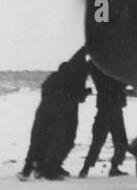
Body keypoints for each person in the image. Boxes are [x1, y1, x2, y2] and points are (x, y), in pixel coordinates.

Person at [19, 48, 89, 180]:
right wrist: (86, 48)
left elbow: (47, 90)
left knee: (38, 140)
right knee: (61, 141)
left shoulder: (53, 77)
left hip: (44, 110)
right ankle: (49, 169)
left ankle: (29, 169)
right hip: (59, 112)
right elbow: (77, 97)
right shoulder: (73, 77)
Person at [79, 62, 129, 178]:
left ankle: (85, 169)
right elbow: (122, 83)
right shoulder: (115, 72)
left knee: (98, 141)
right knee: (121, 141)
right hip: (114, 109)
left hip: (104, 109)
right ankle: (114, 168)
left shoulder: (98, 69)